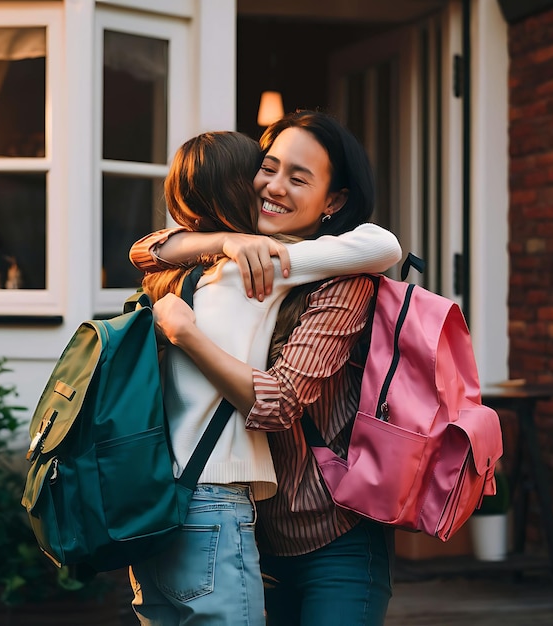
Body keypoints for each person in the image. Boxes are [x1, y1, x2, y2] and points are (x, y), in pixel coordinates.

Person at [130, 110, 401, 626]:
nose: (274, 187)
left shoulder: (335, 277)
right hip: (241, 525)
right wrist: (224, 241)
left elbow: (280, 402)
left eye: (298, 178)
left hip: (328, 535)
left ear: (334, 201)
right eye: (268, 168)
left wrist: (185, 331)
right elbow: (145, 249)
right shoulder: (217, 259)